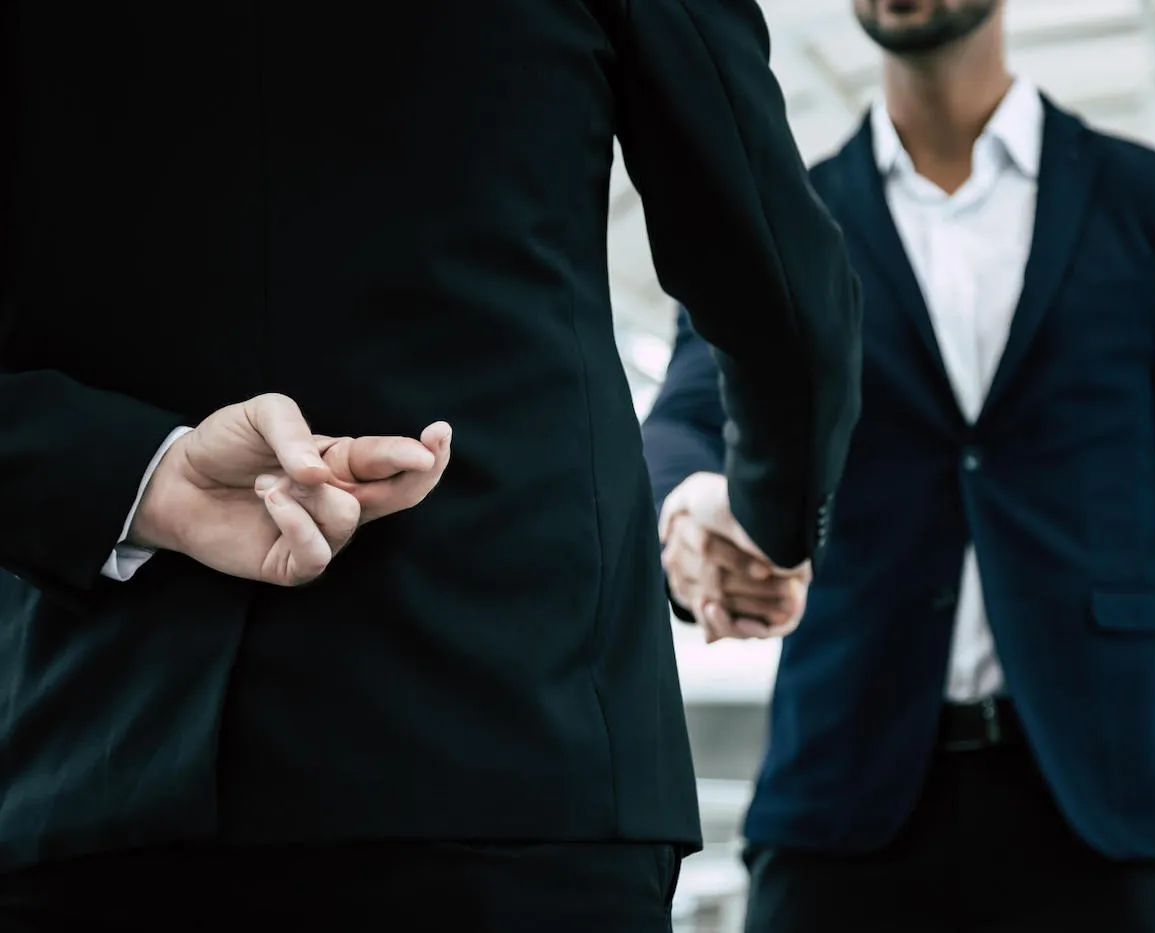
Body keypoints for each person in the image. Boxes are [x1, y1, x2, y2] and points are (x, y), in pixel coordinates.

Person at [0, 2, 862, 930]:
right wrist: (770, 523)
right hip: (512, 752)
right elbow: (780, 285)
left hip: (94, 767)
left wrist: (146, 478)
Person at [643, 1, 1155, 930]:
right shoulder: (785, 218)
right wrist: (687, 514)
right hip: (845, 814)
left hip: (1111, 822)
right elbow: (683, 418)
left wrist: (1117, 671)